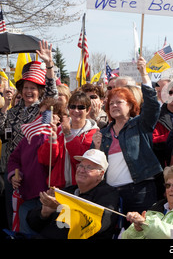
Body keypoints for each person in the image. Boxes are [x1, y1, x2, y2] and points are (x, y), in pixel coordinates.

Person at [91, 56, 162, 217]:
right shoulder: (102, 134)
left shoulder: (140, 125)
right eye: (111, 103)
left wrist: (144, 74)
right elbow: (96, 166)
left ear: (130, 105)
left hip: (140, 191)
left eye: (119, 102)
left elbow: (152, 105)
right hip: (111, 194)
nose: (114, 105)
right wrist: (96, 148)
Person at [0, 40, 58, 229]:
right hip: (12, 172)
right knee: (12, 214)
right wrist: (3, 109)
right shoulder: (13, 111)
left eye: (33, 88)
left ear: (40, 91)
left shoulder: (43, 111)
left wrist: (49, 65)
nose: (28, 91)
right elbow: (4, 135)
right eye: (25, 87)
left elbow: (53, 96)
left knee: (31, 218)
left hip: (34, 172)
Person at [26, 149, 119, 239]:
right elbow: (32, 224)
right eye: (81, 166)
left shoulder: (108, 194)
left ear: (100, 174)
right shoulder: (67, 191)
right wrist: (44, 213)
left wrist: (61, 207)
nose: (82, 170)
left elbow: (100, 225)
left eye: (89, 167)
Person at [7, 98, 66, 234]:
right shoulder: (29, 137)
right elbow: (14, 159)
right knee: (26, 230)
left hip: (49, 195)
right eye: (41, 113)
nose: (42, 118)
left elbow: (51, 160)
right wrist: (15, 175)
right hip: (28, 194)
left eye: (47, 114)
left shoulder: (61, 136)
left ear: (58, 117)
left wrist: (52, 139)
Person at [121, 162, 173, 239]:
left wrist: (146, 223)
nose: (170, 189)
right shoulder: (157, 207)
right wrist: (137, 229)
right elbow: (125, 237)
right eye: (168, 185)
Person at [38, 91, 99, 189]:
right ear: (68, 108)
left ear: (88, 110)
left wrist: (68, 134)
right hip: (58, 186)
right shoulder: (59, 130)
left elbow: (80, 159)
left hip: (81, 188)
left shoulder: (94, 133)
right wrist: (52, 141)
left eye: (81, 107)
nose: (76, 110)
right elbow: (46, 160)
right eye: (72, 107)